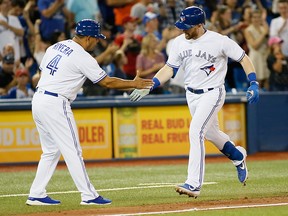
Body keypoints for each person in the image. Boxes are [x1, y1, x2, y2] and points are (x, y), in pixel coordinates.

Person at [130, 6, 259, 198]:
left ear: (200, 25)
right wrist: (152, 84)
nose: (183, 29)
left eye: (187, 26)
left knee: (196, 131)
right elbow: (169, 68)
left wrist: (253, 82)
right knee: (211, 133)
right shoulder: (178, 42)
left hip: (213, 92)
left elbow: (243, 58)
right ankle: (238, 156)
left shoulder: (219, 41)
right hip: (191, 94)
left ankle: (193, 183)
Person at [26, 19, 153, 206]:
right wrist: (134, 83)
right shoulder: (82, 56)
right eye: (96, 38)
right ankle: (89, 195)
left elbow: (40, 72)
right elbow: (107, 82)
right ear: (87, 38)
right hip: (55, 102)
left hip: (39, 99)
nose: (97, 42)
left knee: (51, 150)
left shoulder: (56, 46)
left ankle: (36, 193)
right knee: (73, 151)